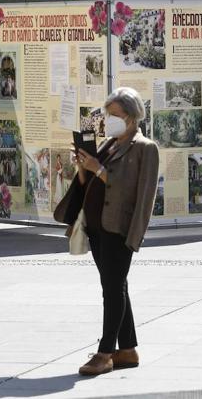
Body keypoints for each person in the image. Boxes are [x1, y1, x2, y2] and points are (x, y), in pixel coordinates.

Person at [55, 87, 159, 377]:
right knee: (116, 286)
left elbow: (140, 193)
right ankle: (127, 349)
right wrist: (85, 168)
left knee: (112, 290)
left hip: (119, 228)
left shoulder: (145, 147)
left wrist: (99, 169)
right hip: (98, 225)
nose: (110, 120)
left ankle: (105, 353)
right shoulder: (110, 143)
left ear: (132, 115)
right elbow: (93, 182)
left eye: (115, 115)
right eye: (108, 115)